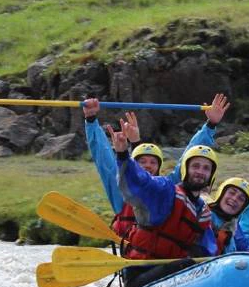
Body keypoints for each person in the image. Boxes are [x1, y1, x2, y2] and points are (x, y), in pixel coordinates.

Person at [82, 93, 231, 237]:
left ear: (159, 168)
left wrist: (210, 125)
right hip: (130, 254)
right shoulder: (120, 190)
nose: (148, 166)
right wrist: (91, 120)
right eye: (142, 162)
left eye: (153, 162)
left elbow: (189, 158)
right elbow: (103, 158)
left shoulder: (169, 189)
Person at [111, 125, 220, 287]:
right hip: (141, 276)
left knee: (195, 265)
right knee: (186, 265)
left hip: (174, 282)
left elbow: (209, 253)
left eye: (206, 168)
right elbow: (140, 182)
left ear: (211, 176)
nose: (200, 172)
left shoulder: (203, 213)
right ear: (185, 169)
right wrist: (123, 155)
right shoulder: (166, 191)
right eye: (196, 166)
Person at [202, 177, 249, 254]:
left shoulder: (233, 225)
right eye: (232, 193)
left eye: (241, 199)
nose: (235, 199)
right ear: (221, 193)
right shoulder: (203, 215)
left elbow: (245, 247)